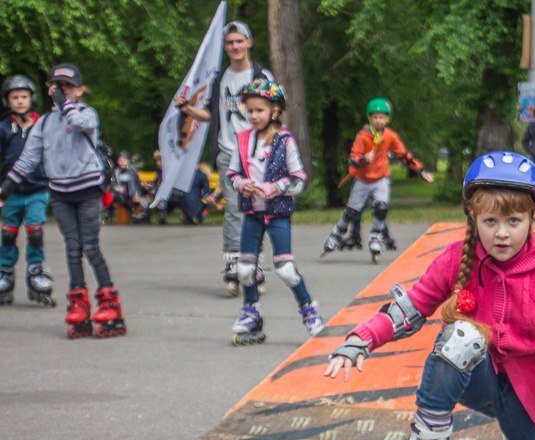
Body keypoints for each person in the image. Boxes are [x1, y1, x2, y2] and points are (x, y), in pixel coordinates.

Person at [324, 151, 535, 440]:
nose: (502, 233)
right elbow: (411, 308)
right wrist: (361, 339)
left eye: (514, 221)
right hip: (476, 379)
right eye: (491, 220)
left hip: (528, 392)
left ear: (534, 217)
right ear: (473, 216)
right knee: (464, 333)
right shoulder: (456, 258)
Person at [1, 64, 125, 338]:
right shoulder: (44, 123)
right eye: (58, 86)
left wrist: (66, 105)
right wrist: (6, 189)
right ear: (50, 89)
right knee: (72, 248)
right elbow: (28, 159)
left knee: (90, 247)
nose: (63, 91)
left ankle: (108, 301)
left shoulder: (86, 113)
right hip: (61, 194)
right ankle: (79, 303)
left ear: (80, 90)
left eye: (68, 86)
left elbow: (80, 124)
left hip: (87, 191)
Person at [174, 21, 273, 294]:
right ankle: (233, 262)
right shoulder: (220, 78)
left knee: (255, 209)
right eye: (230, 42)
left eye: (239, 41)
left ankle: (253, 262)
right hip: (228, 152)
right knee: (233, 209)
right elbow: (211, 114)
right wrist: (189, 110)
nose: (235, 46)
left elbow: (275, 113)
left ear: (249, 43)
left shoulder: (261, 76)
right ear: (225, 46)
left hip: (255, 153)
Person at [227, 78, 323, 344]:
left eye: (260, 110)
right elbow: (231, 174)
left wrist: (274, 188)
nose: (254, 116)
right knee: (244, 269)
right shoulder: (243, 140)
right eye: (250, 110)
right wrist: (242, 184)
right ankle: (251, 312)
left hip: (277, 214)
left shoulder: (285, 141)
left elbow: (299, 178)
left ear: (275, 111)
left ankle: (309, 311)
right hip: (252, 215)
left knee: (285, 269)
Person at [322, 97, 434, 262]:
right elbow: (352, 158)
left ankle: (375, 238)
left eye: (382, 117)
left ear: (387, 119)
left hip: (381, 179)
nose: (378, 121)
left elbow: (404, 155)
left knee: (381, 208)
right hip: (362, 180)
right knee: (351, 212)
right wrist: (363, 159)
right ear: (370, 118)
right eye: (375, 117)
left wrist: (421, 170)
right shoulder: (363, 136)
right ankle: (337, 234)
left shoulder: (390, 136)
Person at [0, 75, 55, 306]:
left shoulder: (43, 125)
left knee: (34, 231)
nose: (20, 101)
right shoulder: (3, 128)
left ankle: (36, 271)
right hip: (11, 192)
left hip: (38, 189)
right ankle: (5, 273)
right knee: (8, 233)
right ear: (8, 102)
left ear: (31, 98)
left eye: (24, 97)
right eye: (15, 97)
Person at [110, 151, 145, 224]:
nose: (122, 162)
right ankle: (132, 211)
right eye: (120, 160)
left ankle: (134, 212)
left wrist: (135, 194)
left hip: (132, 192)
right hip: (120, 193)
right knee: (119, 196)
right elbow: (113, 185)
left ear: (128, 161)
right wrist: (118, 188)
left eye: (124, 160)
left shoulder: (132, 170)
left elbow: (137, 185)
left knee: (128, 197)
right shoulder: (116, 171)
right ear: (118, 161)